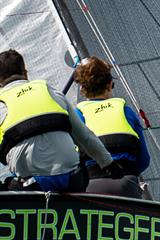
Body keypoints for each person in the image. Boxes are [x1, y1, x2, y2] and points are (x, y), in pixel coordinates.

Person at [0, 49, 113, 192]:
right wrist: (108, 164)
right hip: (72, 180)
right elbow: (84, 136)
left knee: (10, 183)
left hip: (31, 186)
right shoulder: (49, 90)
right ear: (26, 73)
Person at [73, 57, 150, 199]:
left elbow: (72, 159)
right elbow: (144, 159)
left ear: (82, 89)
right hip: (126, 184)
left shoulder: (78, 113)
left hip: (92, 185)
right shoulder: (125, 110)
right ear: (109, 85)